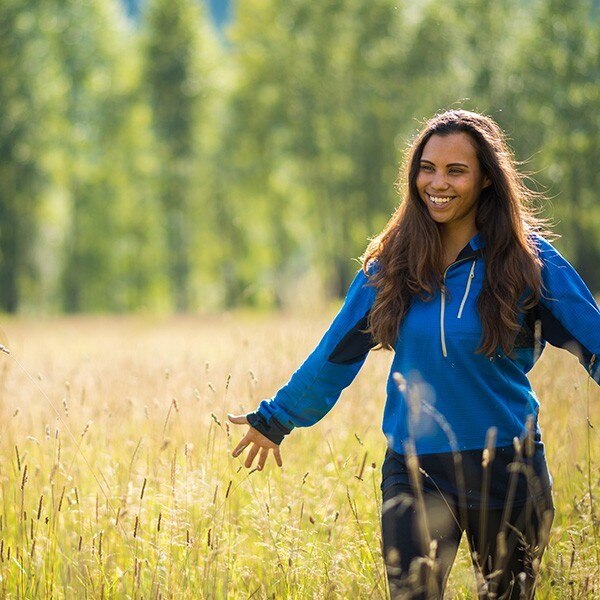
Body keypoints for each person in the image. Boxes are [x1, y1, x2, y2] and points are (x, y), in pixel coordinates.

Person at [228, 110, 600, 599]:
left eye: (456, 170)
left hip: (509, 471)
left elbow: (594, 342)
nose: (437, 183)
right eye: (427, 168)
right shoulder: (392, 265)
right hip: (414, 469)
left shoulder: (530, 263)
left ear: (487, 178)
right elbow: (335, 354)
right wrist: (277, 418)